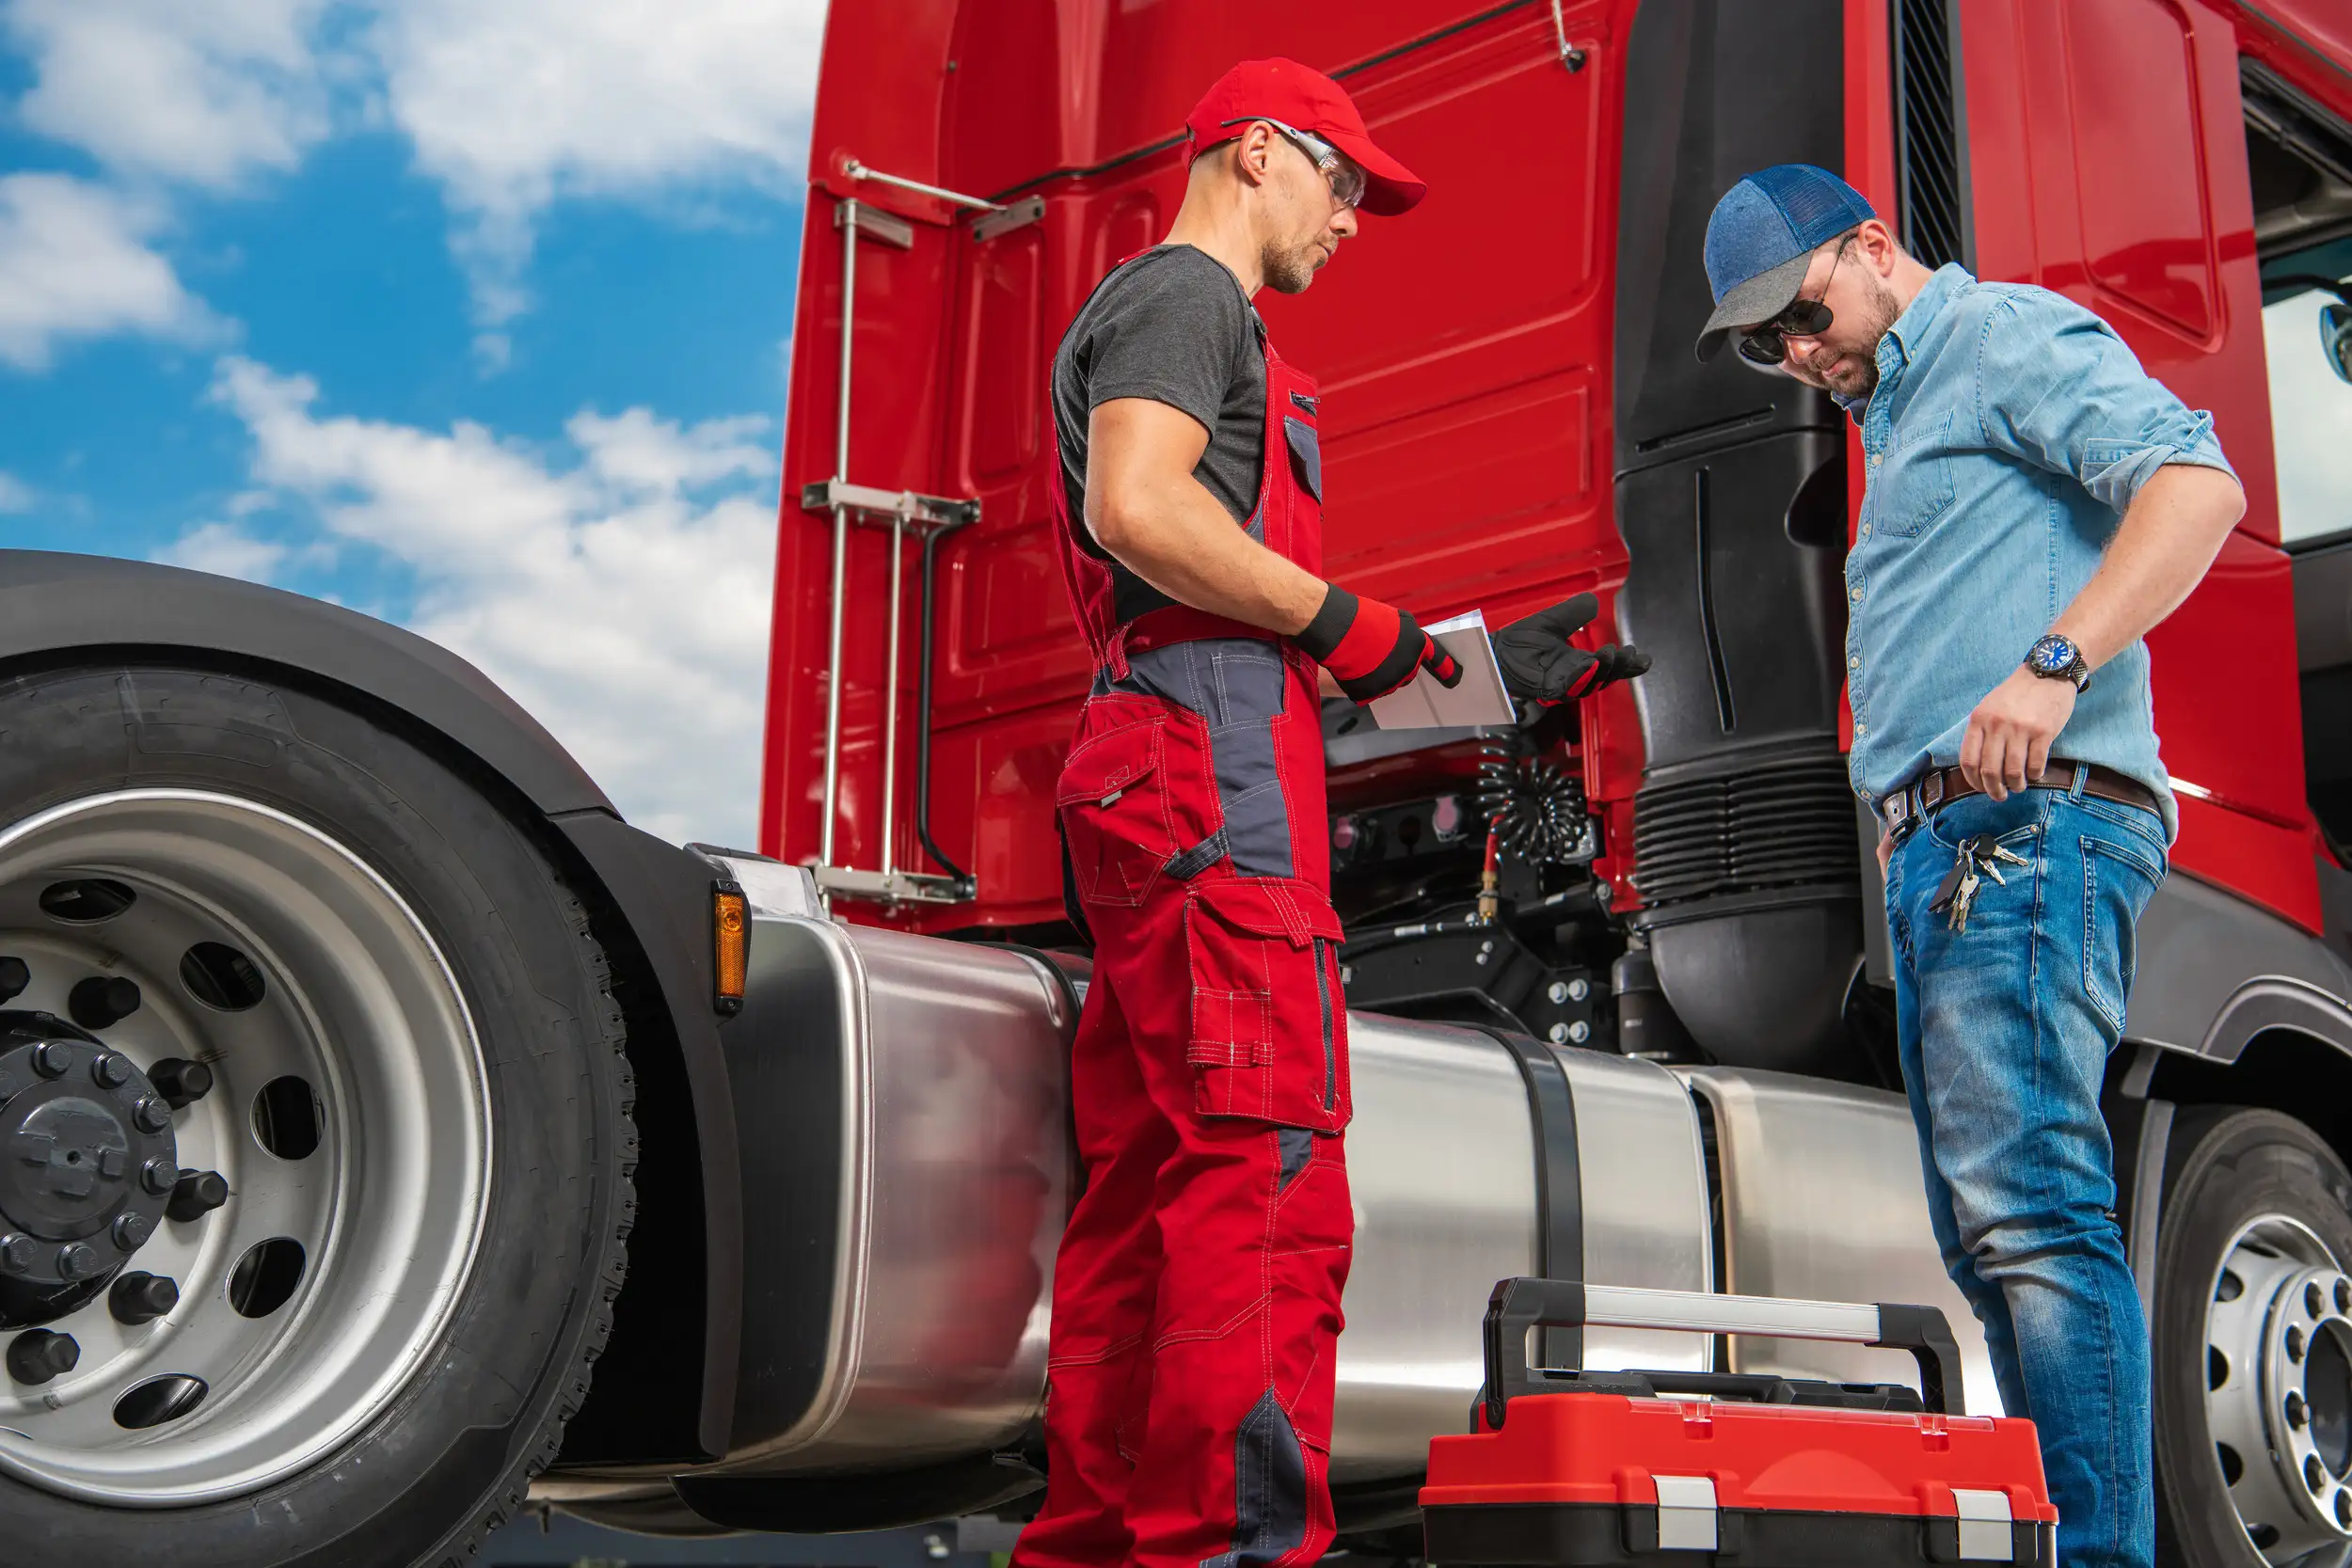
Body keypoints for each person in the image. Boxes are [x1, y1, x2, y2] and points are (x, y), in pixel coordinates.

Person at [1020, 56, 1645, 1568]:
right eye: (1344, 180)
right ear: (1253, 152)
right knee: (1268, 1172)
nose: (1355, 220)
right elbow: (1143, 509)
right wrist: (1355, 623)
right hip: (1210, 768)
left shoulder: (1173, 314)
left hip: (1181, 751)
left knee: (1152, 1186)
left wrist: (1444, 664)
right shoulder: (1188, 297)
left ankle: (1101, 1543)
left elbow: (1219, 605)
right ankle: (1227, 1548)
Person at [1694, 165, 2246, 1568]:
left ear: (1874, 247)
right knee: (1993, 1235)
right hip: (1954, 854)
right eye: (1768, 342)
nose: (1798, 355)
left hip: (2030, 831)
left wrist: (2054, 665)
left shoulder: (2002, 336)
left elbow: (2196, 483)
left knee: (2037, 1219)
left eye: (1804, 312)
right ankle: (2076, 1542)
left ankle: (2106, 1558)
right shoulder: (1897, 414)